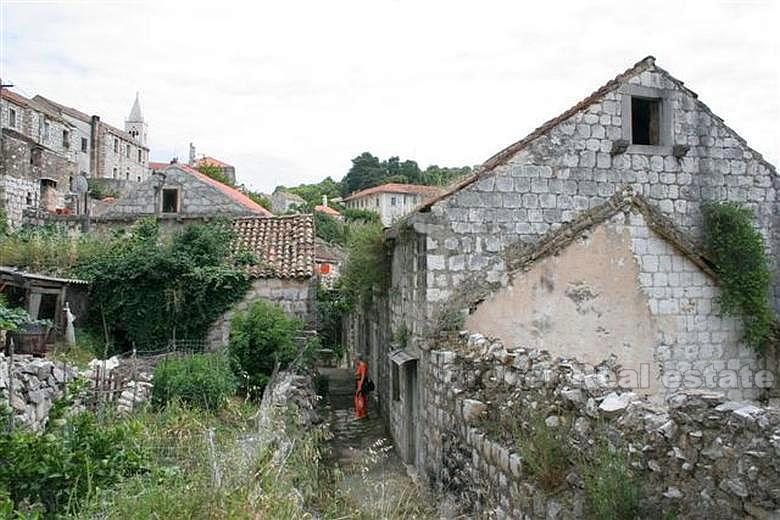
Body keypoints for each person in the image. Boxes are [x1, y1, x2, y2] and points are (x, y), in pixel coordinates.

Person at [354, 353, 368, 419]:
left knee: (359, 398)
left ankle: (361, 414)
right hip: (358, 382)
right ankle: (360, 413)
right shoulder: (359, 365)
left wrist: (360, 386)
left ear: (358, 359)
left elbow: (363, 376)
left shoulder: (362, 365)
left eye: (356, 359)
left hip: (360, 383)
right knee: (359, 398)